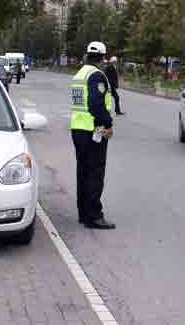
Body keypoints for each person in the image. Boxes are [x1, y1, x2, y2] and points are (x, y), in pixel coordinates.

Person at [70, 41, 116, 230]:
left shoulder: (80, 74)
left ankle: (84, 213)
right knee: (95, 173)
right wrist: (108, 123)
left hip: (78, 129)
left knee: (83, 172)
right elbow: (95, 104)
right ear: (103, 58)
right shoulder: (96, 76)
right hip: (93, 130)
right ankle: (94, 216)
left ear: (87, 54)